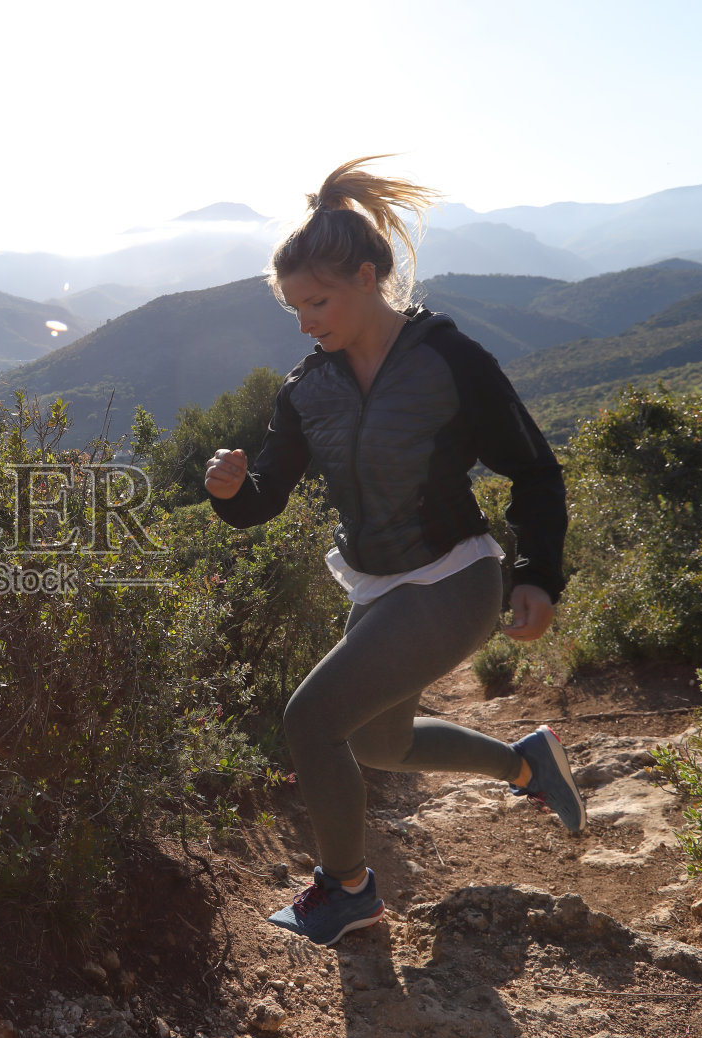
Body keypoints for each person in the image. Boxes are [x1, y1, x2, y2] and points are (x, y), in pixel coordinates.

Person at [203, 156, 586, 947]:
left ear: (370, 276)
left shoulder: (450, 361)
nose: (307, 321)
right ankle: (525, 764)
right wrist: (232, 490)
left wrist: (536, 574)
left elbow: (533, 468)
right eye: (295, 309)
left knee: (312, 719)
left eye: (319, 301)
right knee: (380, 742)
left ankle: (347, 889)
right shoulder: (307, 389)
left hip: (454, 577)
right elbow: (267, 496)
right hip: (377, 587)